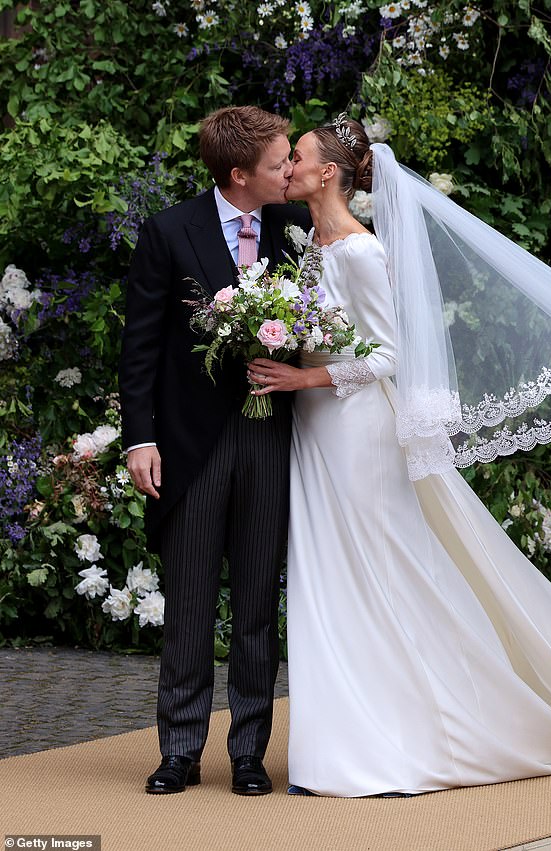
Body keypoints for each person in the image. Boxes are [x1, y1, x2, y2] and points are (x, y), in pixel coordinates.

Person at [247, 117, 551, 797]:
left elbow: (389, 354)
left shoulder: (363, 253)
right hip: (314, 428)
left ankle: (406, 737)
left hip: (355, 428)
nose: (287, 169)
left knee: (379, 571)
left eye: (297, 159)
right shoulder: (315, 245)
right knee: (327, 578)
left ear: (327, 173)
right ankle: (339, 743)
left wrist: (302, 377)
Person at [119, 106, 310, 796]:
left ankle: (251, 752)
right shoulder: (169, 231)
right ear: (239, 174)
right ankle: (178, 750)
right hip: (190, 445)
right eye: (279, 162)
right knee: (191, 605)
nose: (290, 169)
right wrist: (140, 437)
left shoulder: (298, 232)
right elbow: (139, 346)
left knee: (258, 602)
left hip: (270, 437)